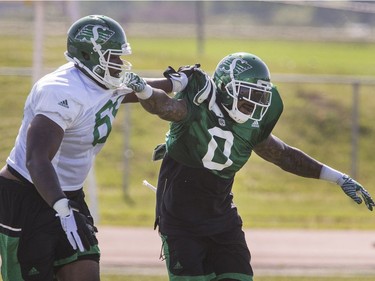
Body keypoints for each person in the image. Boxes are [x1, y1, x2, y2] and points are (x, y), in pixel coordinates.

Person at [125, 52, 375, 281]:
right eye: (247, 92)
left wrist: (338, 178)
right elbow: (166, 107)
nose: (253, 102)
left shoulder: (252, 126)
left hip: (222, 222)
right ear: (225, 88)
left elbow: (285, 156)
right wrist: (144, 91)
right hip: (181, 223)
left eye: (260, 95)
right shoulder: (200, 106)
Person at [0, 15, 138, 281]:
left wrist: (177, 83)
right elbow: (37, 160)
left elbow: (127, 92)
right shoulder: (60, 90)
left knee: (85, 270)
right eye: (113, 57)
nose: (119, 64)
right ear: (89, 55)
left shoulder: (98, 82)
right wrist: (61, 209)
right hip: (27, 195)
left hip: (68, 195)